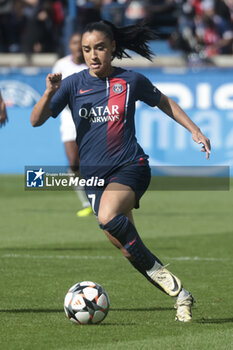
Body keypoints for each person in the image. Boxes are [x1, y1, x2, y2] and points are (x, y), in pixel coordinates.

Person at [30, 20, 211, 322]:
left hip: (131, 167)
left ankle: (176, 288)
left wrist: (195, 130)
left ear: (113, 47)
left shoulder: (130, 81)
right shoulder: (73, 84)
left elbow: (164, 102)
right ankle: (180, 295)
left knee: (106, 216)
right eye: (87, 49)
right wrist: (49, 92)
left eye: (100, 48)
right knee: (128, 248)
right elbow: (36, 121)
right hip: (94, 177)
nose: (93, 55)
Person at [52, 32, 92, 217]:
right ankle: (86, 201)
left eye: (80, 43)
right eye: (74, 42)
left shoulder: (93, 64)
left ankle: (99, 197)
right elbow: (52, 90)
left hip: (91, 118)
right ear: (69, 45)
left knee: (92, 162)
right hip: (69, 118)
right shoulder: (61, 65)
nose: (77, 46)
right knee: (74, 163)